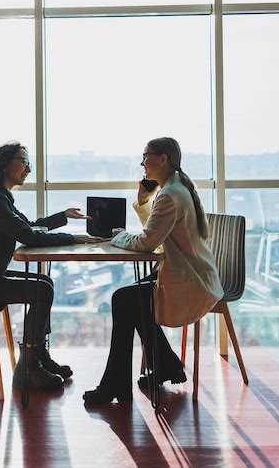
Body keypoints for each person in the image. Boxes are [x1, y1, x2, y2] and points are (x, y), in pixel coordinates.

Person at [0, 141, 102, 392]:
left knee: (45, 283)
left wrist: (62, 217)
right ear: (4, 165)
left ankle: (39, 356)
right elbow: (29, 236)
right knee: (42, 291)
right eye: (24, 162)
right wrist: (74, 238)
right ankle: (27, 370)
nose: (29, 169)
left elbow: (27, 226)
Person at [83, 137, 224, 403]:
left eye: (146, 156)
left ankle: (121, 382)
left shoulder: (170, 195)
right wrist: (143, 200)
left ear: (163, 159)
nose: (142, 162)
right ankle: (164, 366)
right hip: (192, 275)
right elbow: (157, 234)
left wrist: (117, 235)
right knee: (131, 300)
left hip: (191, 283)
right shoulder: (175, 189)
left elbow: (148, 242)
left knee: (124, 299)